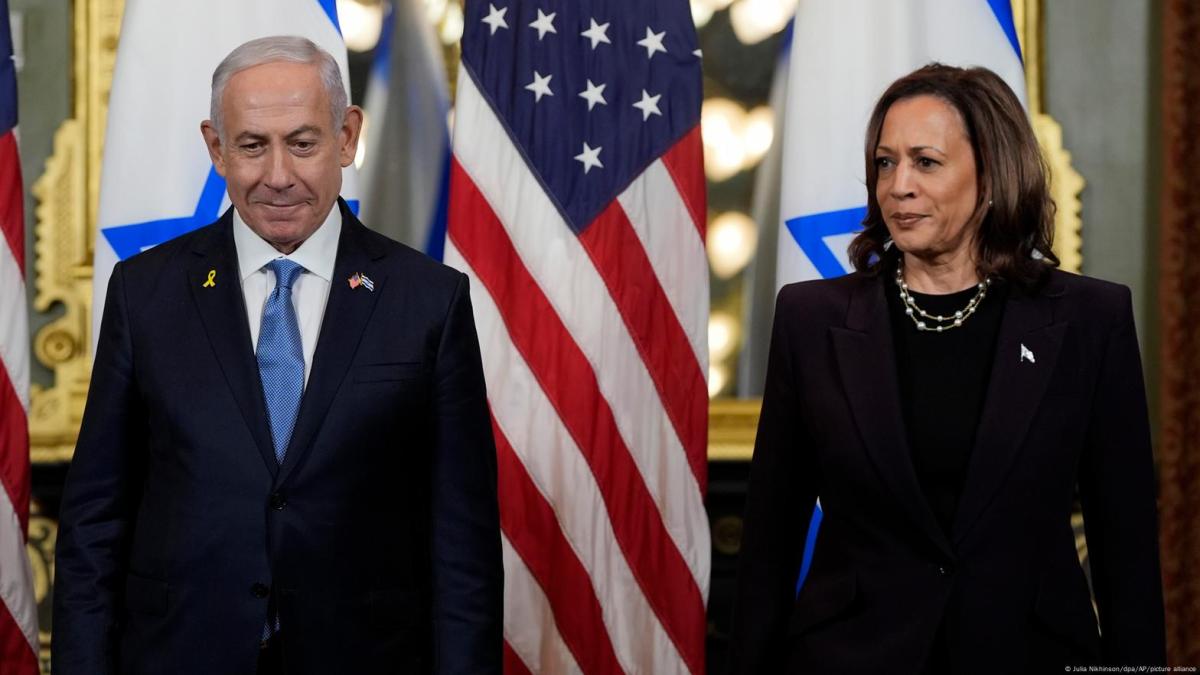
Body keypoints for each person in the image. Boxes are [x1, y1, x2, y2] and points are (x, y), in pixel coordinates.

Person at [52, 36, 502, 675]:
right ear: (216, 148)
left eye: (303, 143)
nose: (279, 176)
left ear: (347, 138)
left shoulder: (429, 300)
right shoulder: (145, 293)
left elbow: (463, 545)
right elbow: (95, 522)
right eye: (252, 146)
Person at [727, 64, 1165, 673]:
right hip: (852, 658)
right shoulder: (811, 318)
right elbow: (769, 543)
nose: (898, 186)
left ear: (991, 174)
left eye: (926, 162)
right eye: (885, 163)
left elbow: (1127, 552)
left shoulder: (1089, 319)